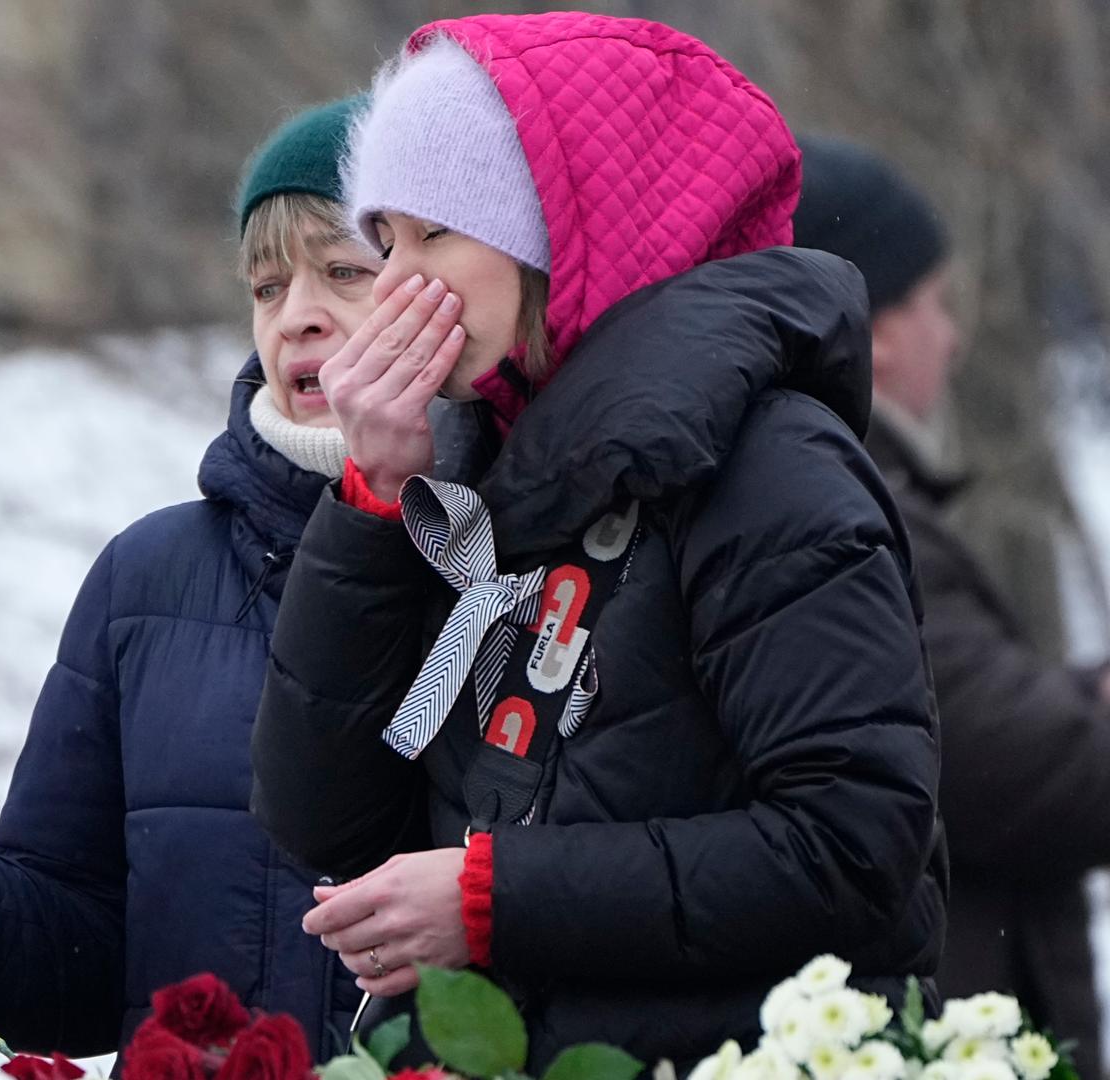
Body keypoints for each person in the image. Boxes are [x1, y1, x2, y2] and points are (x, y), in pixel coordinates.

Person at [248, 14, 947, 1067]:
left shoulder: (766, 464)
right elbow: (323, 822)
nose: (393, 288)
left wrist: (493, 901)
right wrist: (373, 500)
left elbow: (852, 852)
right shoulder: (490, 467)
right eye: (383, 242)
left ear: (561, 238)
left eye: (435, 234)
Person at [0, 99, 382, 1058]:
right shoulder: (151, 578)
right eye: (266, 286)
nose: (297, 314)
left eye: (344, 271)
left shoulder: (522, 565)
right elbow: (78, 956)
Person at [796, 135, 1110, 1080]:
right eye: (934, 302)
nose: (955, 334)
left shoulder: (859, 493)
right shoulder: (862, 514)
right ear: (878, 332)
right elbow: (1021, 772)